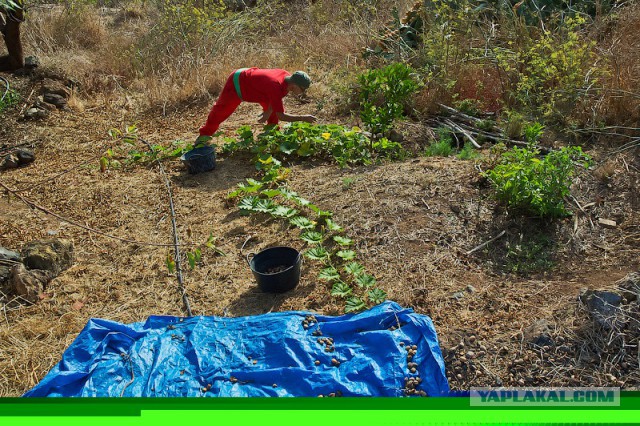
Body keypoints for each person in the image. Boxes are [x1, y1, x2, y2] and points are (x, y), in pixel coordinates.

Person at [195, 68, 317, 145]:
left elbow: (275, 100)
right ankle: (204, 136)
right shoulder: (276, 86)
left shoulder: (286, 79)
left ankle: (272, 136)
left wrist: (268, 112)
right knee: (220, 112)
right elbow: (282, 116)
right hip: (238, 83)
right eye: (302, 89)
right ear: (294, 85)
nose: (302, 92)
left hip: (256, 84)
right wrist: (303, 117)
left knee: (273, 113)